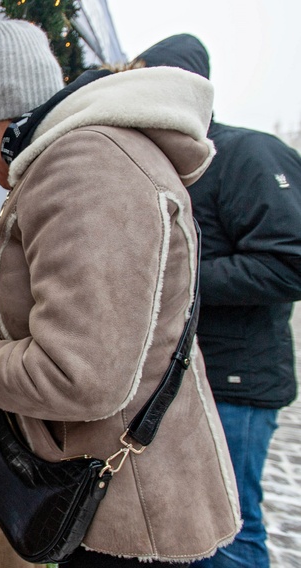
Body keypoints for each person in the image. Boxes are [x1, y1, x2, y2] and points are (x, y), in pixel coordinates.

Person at [0, 19, 241, 566]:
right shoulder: (95, 154)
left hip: (128, 509)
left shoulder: (82, 165)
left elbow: (76, 377)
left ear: (0, 110)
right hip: (134, 487)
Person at [137, 34, 301, 568]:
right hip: (188, 383)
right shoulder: (168, 167)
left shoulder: (248, 153)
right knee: (194, 524)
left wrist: (174, 279)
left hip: (237, 384)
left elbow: (288, 262)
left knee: (230, 529)